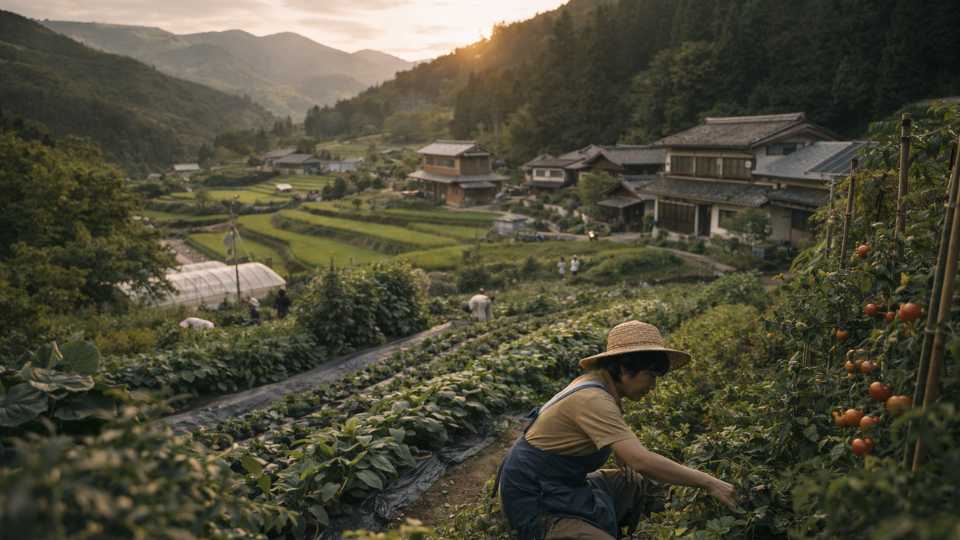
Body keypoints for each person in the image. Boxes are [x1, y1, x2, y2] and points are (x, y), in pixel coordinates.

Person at [495, 320, 737, 539]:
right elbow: (641, 460)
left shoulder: (599, 385)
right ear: (623, 367)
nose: (653, 386)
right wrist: (710, 483)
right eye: (650, 376)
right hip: (536, 500)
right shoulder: (593, 399)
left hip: (564, 484)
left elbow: (617, 446)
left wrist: (623, 455)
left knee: (636, 483)